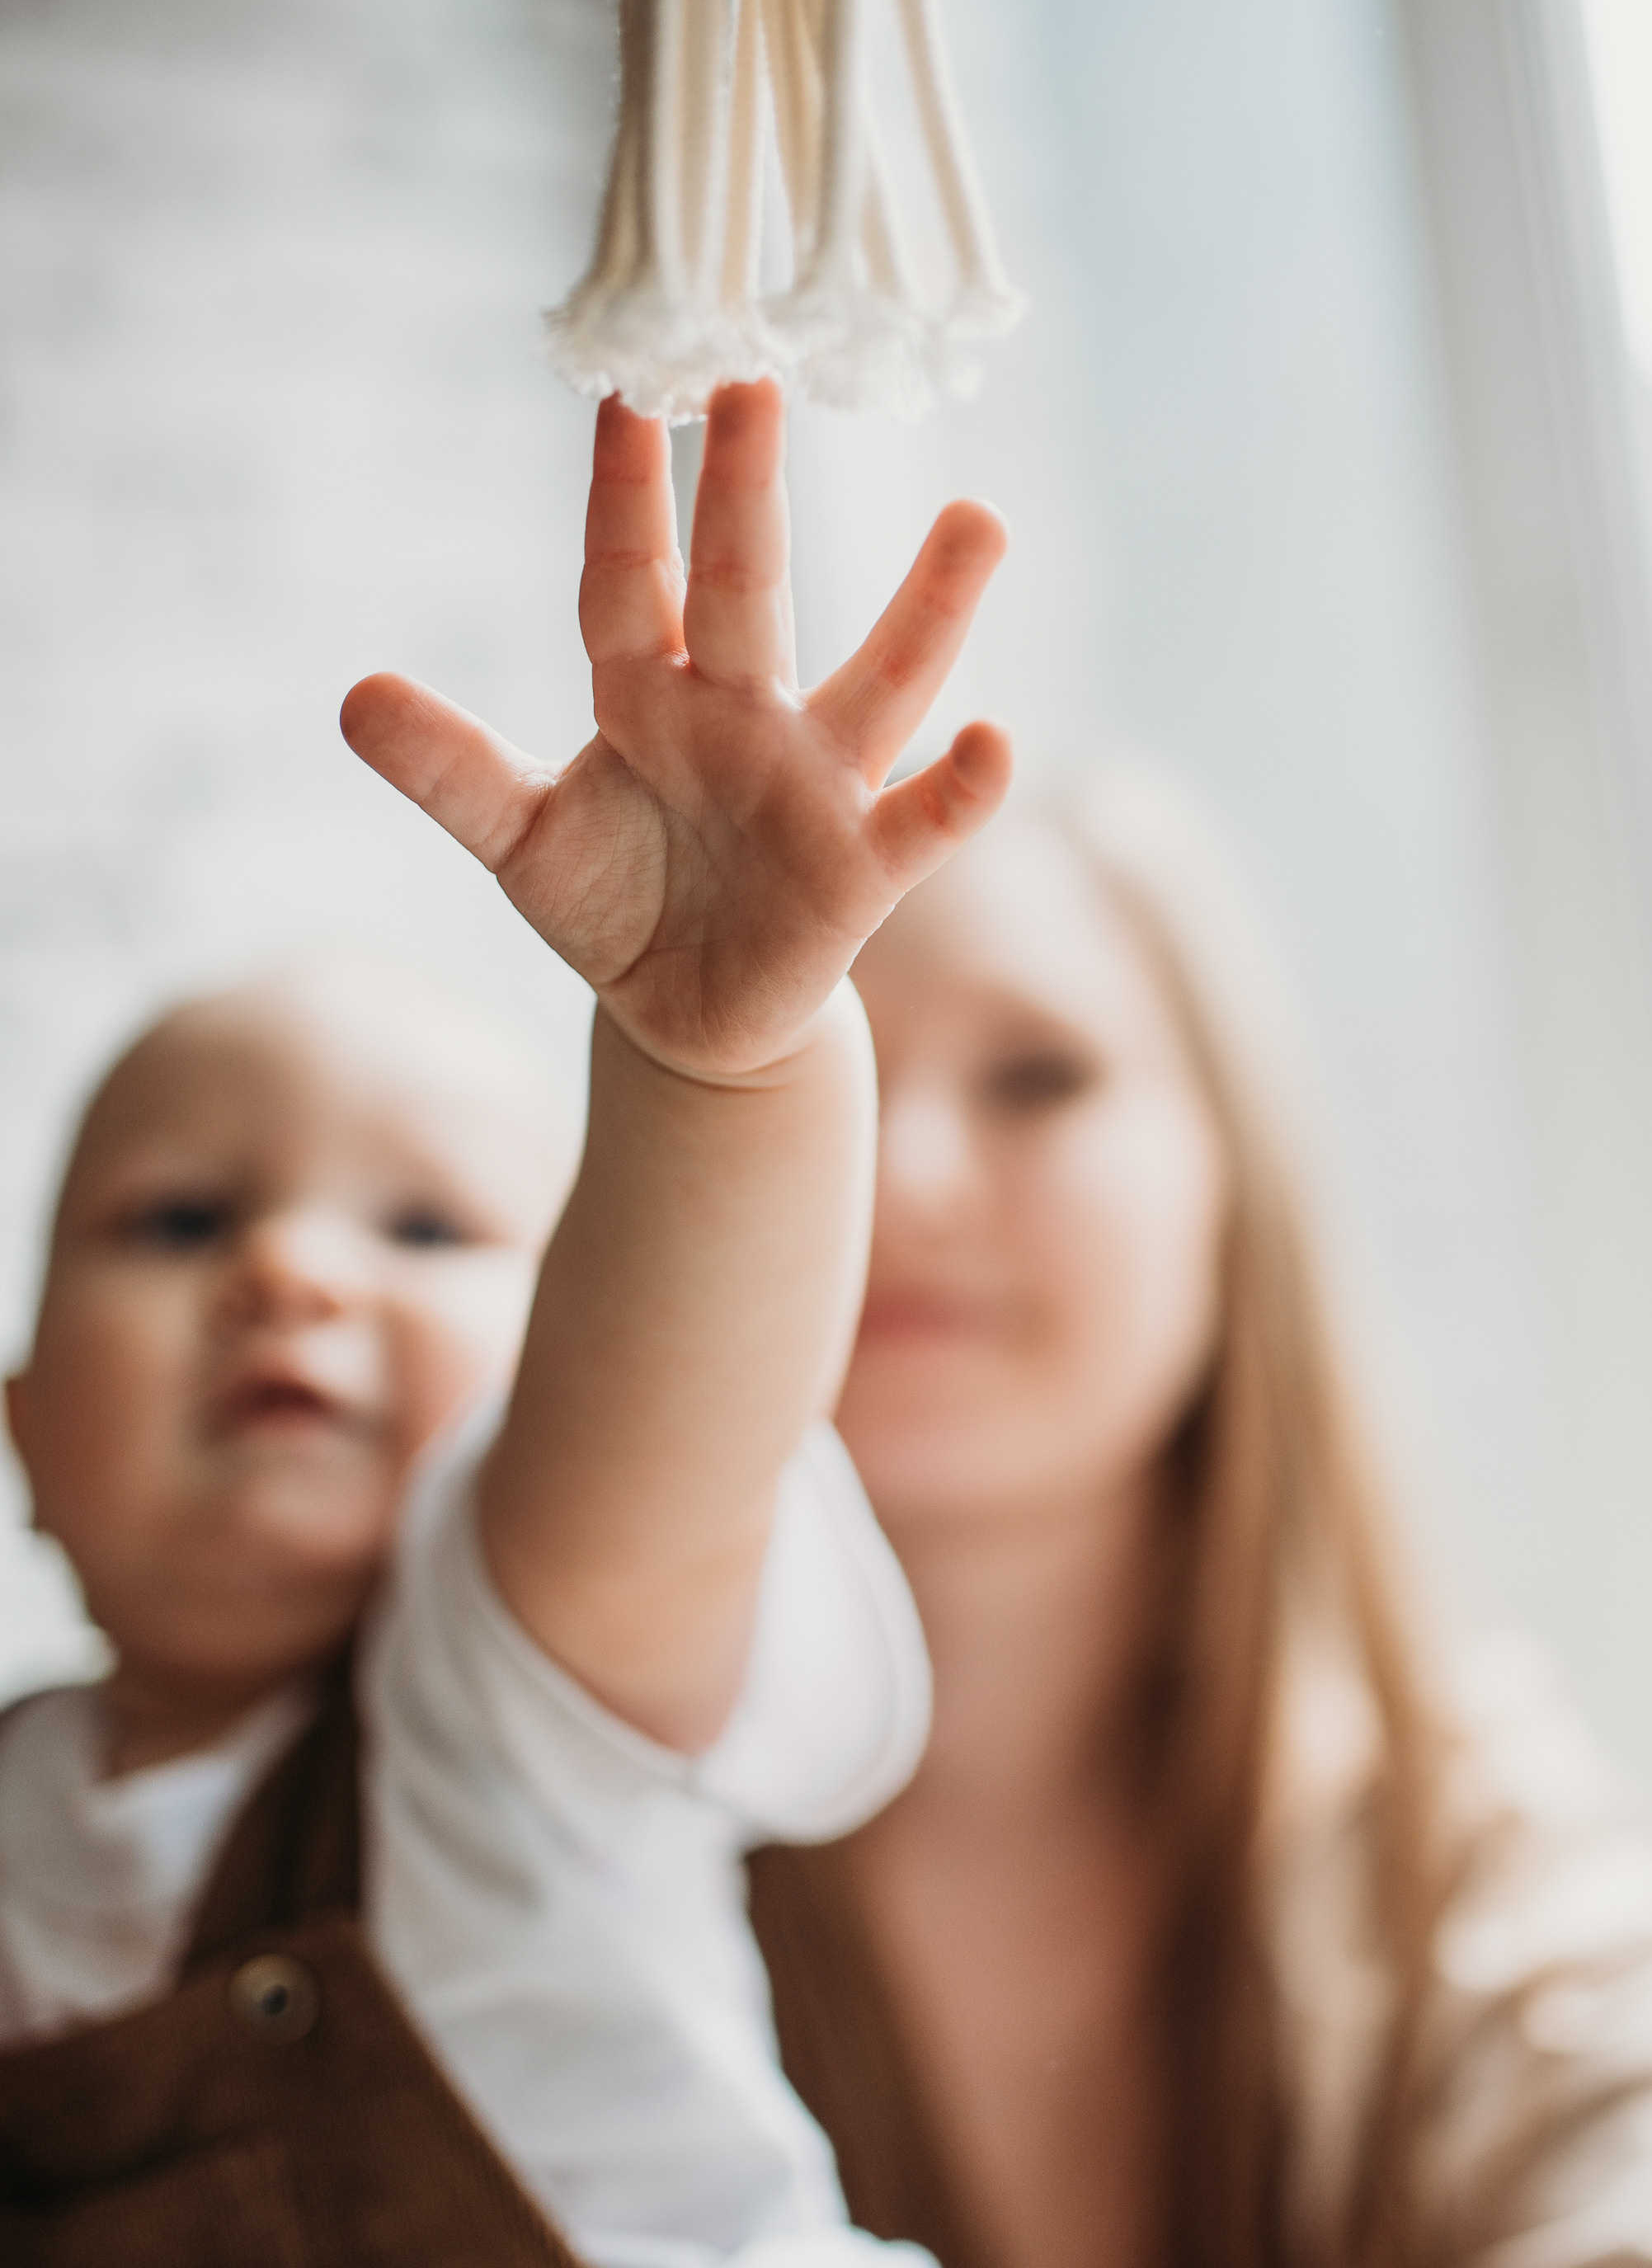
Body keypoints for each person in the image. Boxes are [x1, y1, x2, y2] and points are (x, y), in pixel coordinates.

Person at [0, 378, 1009, 2267]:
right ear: (29, 1433)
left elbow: (669, 1417)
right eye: (181, 1218)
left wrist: (725, 1068)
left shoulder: (501, 1695)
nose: (289, 1271)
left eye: (427, 1225)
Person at [746, 764, 1652, 2268]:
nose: (905, 1178)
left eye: (1038, 1077)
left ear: (1231, 1174)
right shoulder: (554, 1828)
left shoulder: (1485, 1852)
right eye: (817, 1075)